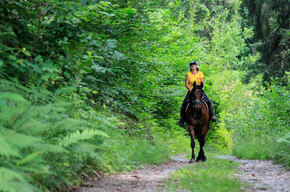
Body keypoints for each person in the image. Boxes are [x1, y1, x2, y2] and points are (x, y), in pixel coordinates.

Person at [179, 61, 217, 126]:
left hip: (199, 91)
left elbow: (202, 83)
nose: (193, 66)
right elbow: (186, 84)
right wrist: (191, 90)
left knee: (209, 102)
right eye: (191, 65)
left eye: (194, 65)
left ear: (196, 66)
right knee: (184, 103)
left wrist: (199, 89)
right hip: (191, 91)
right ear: (190, 67)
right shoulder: (188, 74)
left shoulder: (200, 74)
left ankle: (213, 116)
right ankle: (182, 118)